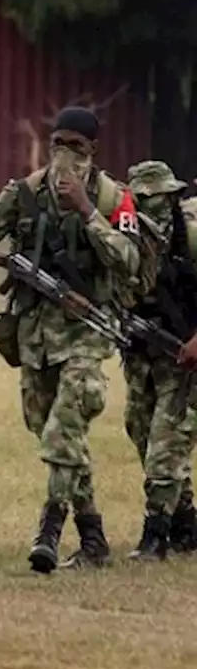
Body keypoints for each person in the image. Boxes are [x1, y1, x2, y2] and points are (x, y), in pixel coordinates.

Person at [0, 106, 140, 573]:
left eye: (76, 147)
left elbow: (129, 260)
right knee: (52, 435)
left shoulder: (110, 197)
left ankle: (50, 530)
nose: (65, 155)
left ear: (93, 151)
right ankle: (95, 537)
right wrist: (4, 263)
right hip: (35, 335)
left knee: (64, 434)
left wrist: (85, 210)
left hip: (87, 334)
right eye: (58, 143)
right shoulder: (23, 193)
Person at [118, 161, 197, 559]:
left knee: (165, 448)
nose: (156, 208)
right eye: (146, 199)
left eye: (163, 199)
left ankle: (156, 535)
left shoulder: (191, 237)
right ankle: (186, 522)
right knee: (140, 430)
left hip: (185, 360)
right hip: (140, 355)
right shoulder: (125, 239)